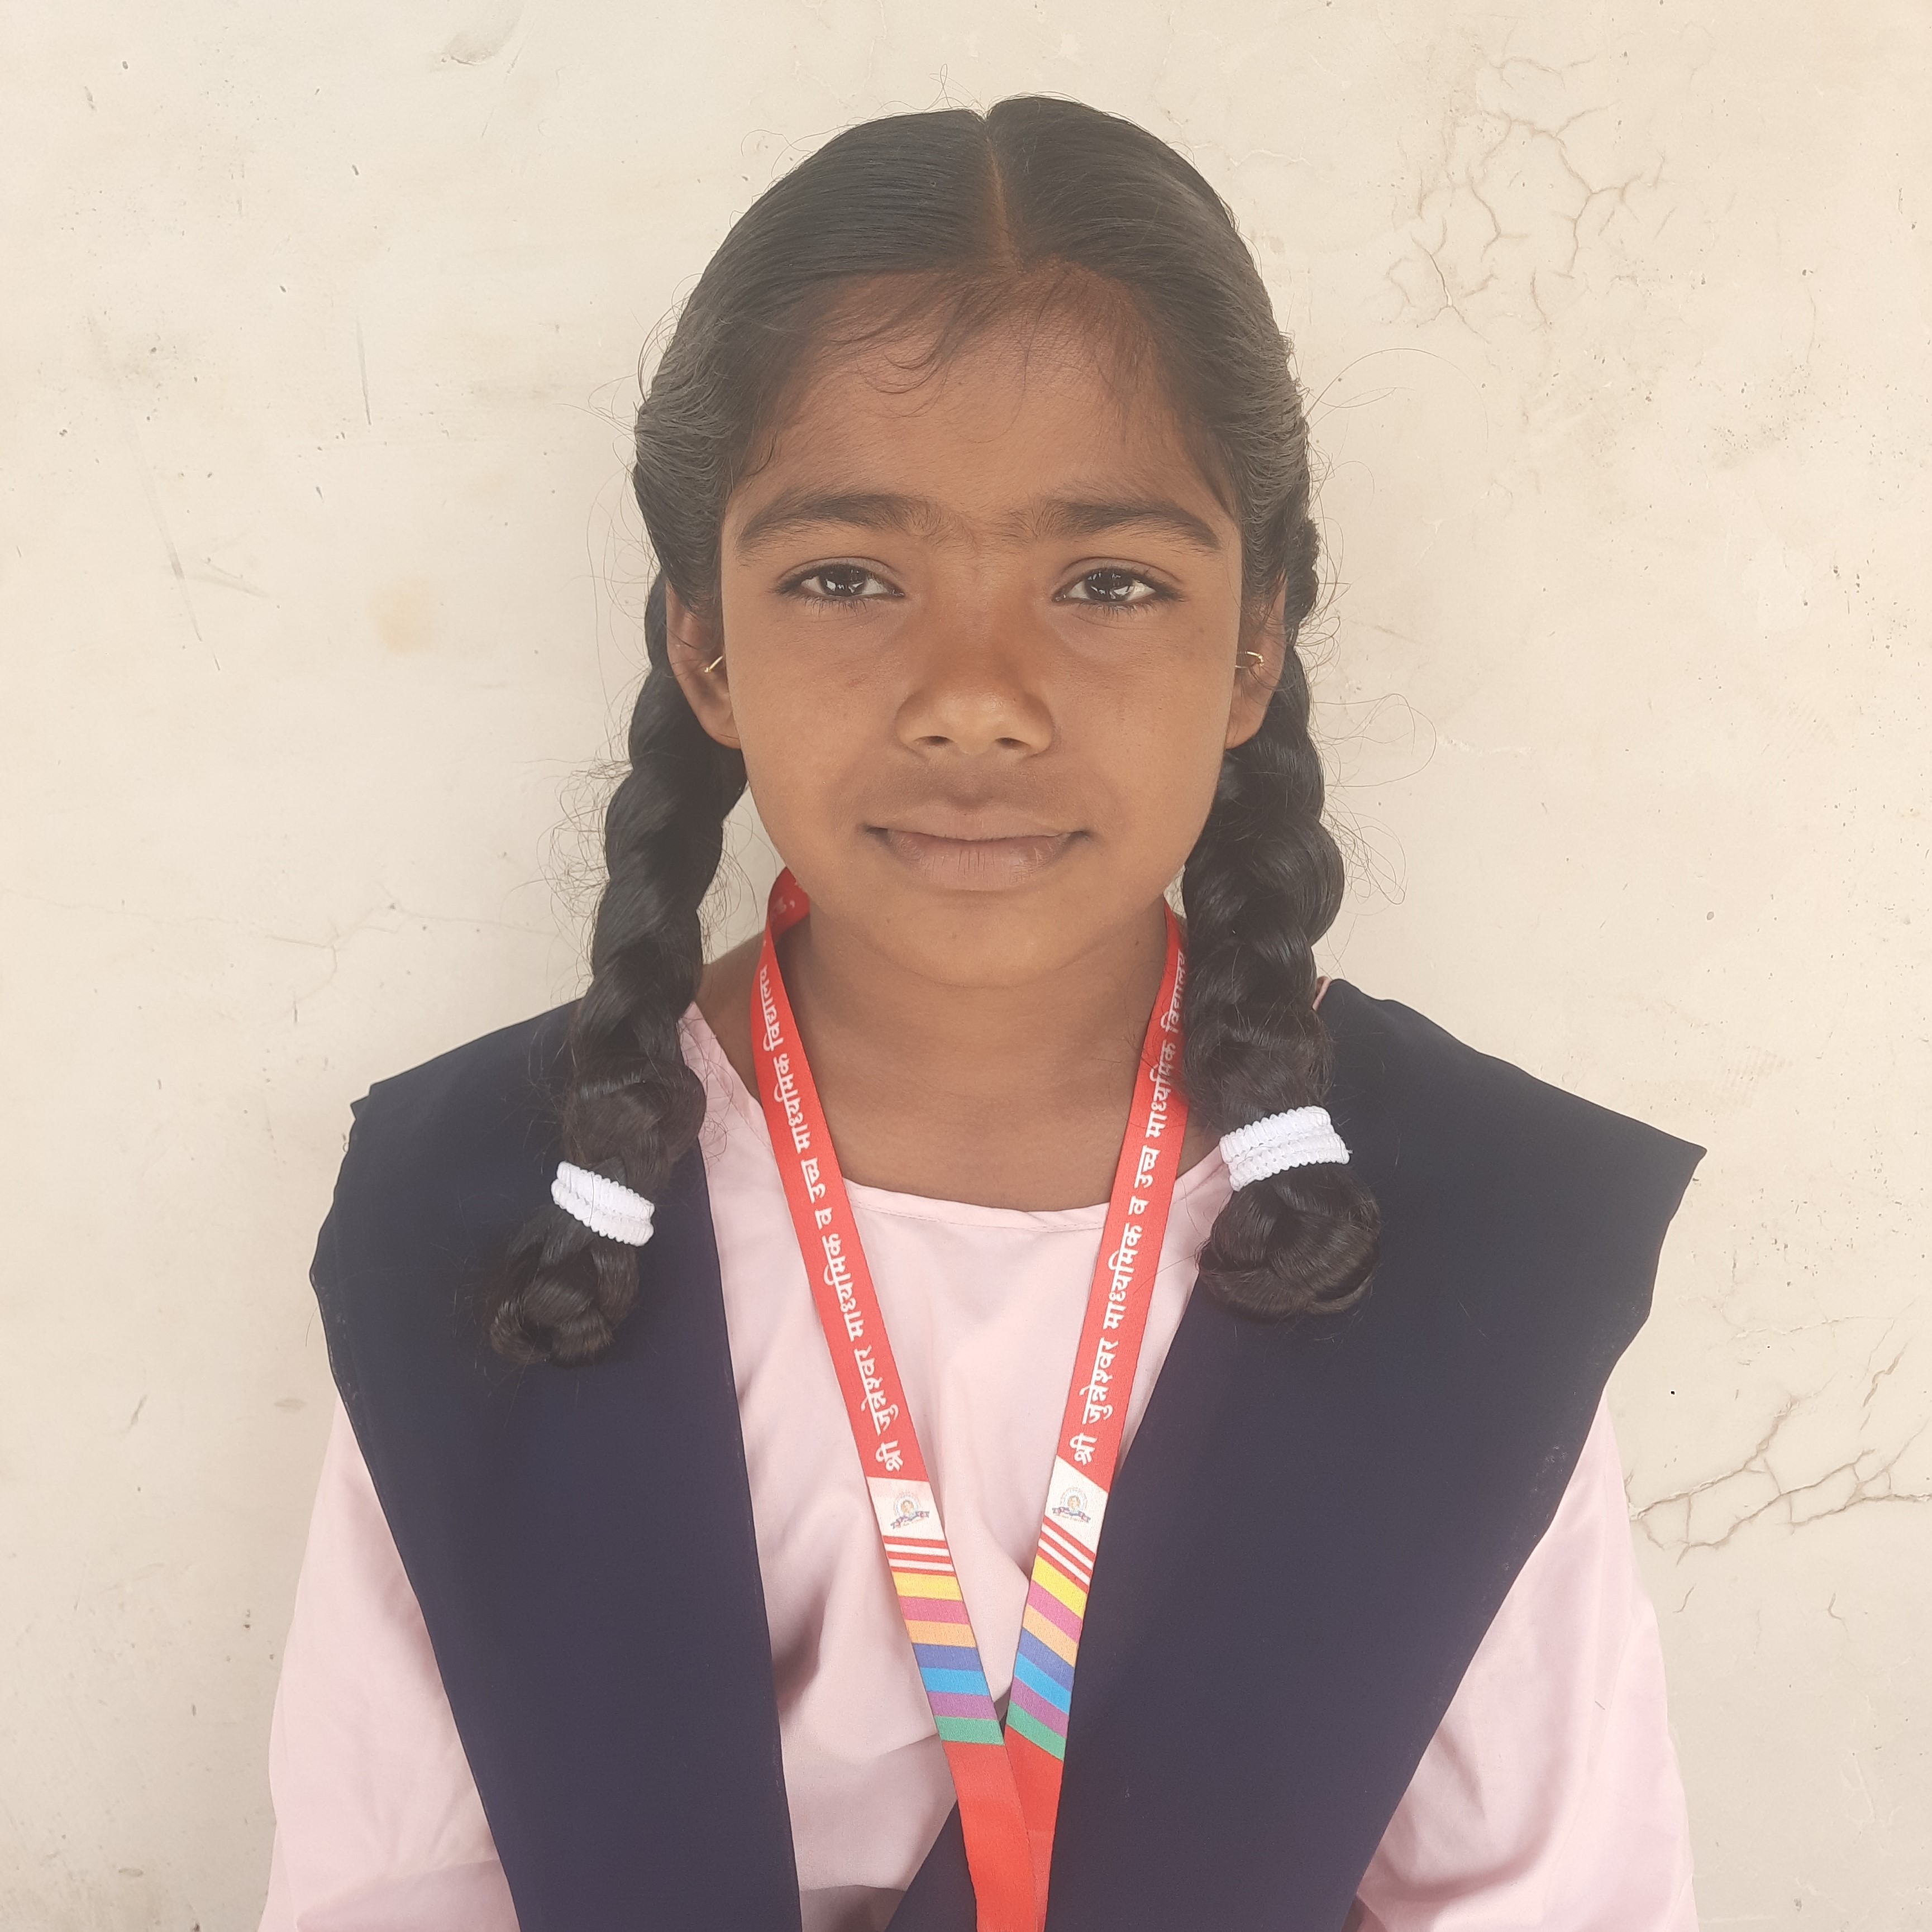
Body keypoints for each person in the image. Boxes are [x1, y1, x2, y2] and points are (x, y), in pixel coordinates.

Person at [257, 97, 1704, 1932]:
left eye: (1106, 582)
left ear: (1255, 638)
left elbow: (1553, 1889)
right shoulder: (489, 1213)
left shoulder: (1459, 1238)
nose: (974, 696)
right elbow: (391, 1880)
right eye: (846, 576)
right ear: (703, 640)